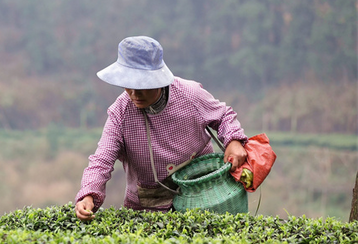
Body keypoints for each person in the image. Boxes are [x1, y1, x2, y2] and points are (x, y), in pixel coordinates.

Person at [75, 36, 248, 220]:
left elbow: (223, 116)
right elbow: (102, 159)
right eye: (128, 85)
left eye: (142, 85)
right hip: (149, 206)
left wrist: (233, 140)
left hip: (202, 193)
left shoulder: (189, 95)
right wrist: (88, 194)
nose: (134, 94)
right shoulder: (121, 113)